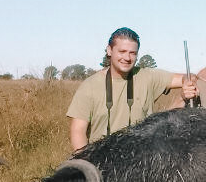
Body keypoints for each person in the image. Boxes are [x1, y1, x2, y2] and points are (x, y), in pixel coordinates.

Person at [67, 27, 196, 150]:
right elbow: (78, 131)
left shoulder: (147, 77)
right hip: (101, 158)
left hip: (142, 157)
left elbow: (188, 77)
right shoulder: (89, 86)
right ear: (109, 50)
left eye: (132, 53)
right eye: (122, 52)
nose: (127, 58)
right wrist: (86, 161)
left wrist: (187, 85)